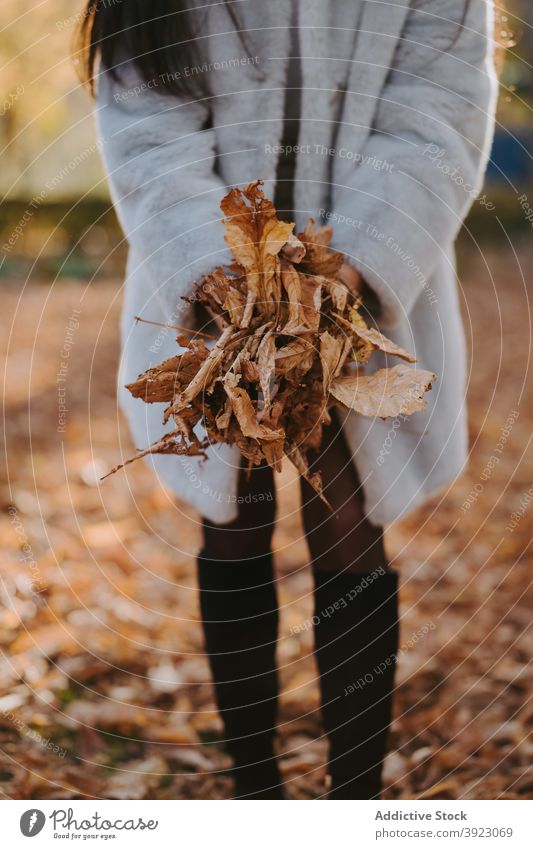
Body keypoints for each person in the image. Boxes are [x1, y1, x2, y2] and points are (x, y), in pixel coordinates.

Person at [79, 0, 497, 798]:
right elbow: (145, 117)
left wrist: (351, 274)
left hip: (362, 297)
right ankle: (256, 789)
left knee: (346, 514)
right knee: (232, 514)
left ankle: (353, 801)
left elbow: (438, 111)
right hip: (214, 297)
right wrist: (212, 266)